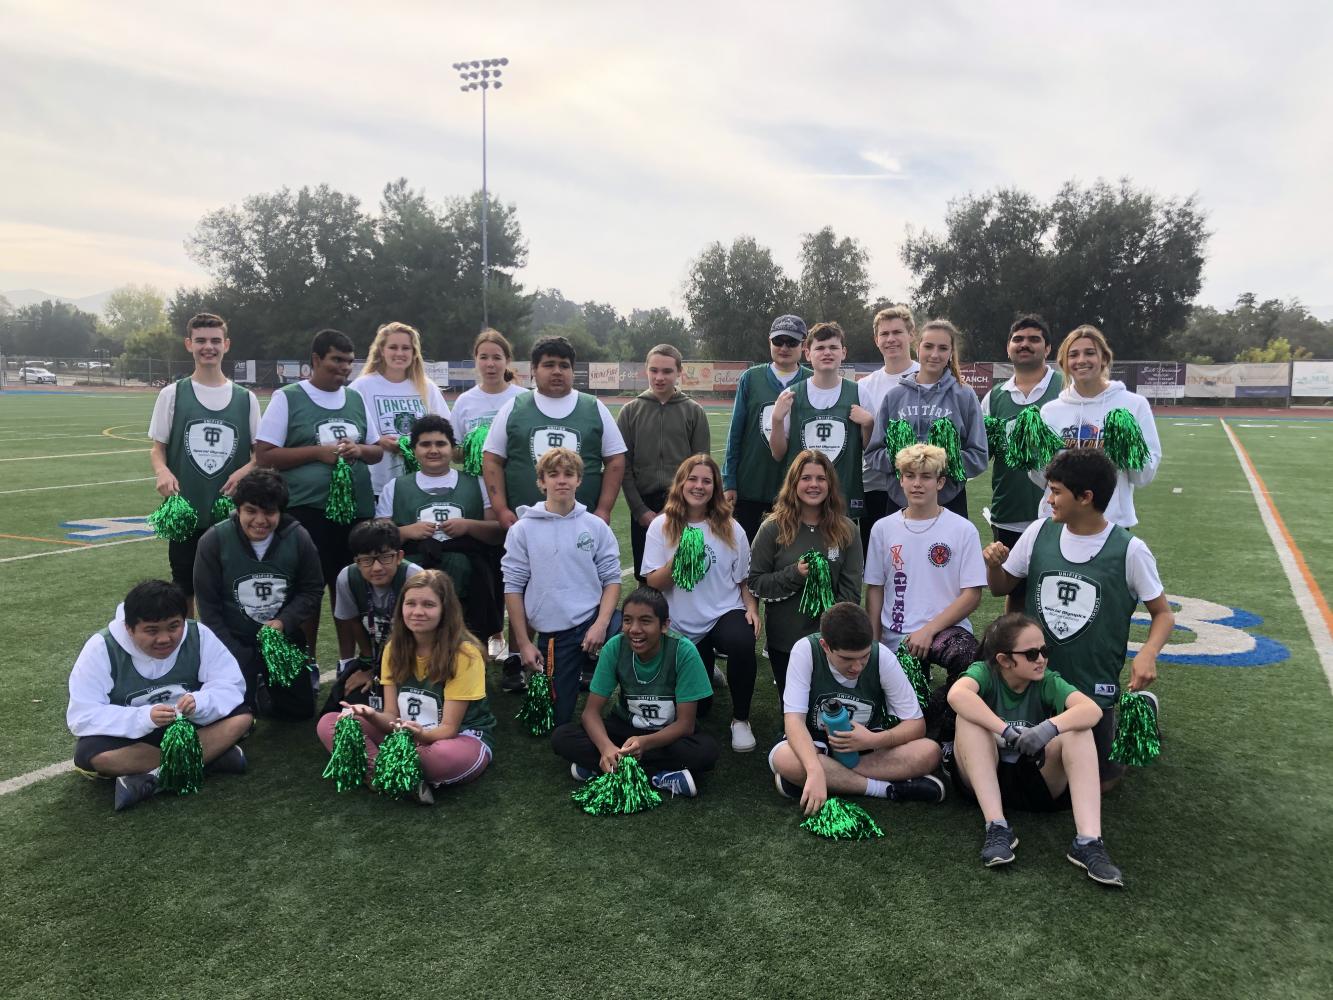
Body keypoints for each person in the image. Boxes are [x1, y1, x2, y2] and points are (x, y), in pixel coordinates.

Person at [984, 449, 1174, 790]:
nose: (1048, 498)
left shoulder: (1130, 549)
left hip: (1090, 688)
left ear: (1085, 497)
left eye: (1056, 491)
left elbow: (1162, 614)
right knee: (1020, 764)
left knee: (1097, 783)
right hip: (1036, 682)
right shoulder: (1039, 532)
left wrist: (1148, 653)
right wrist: (994, 564)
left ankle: (1138, 707)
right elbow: (1001, 589)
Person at [947, 613, 1124, 886]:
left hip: (1035, 781)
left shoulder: (1047, 680)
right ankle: (997, 826)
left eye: (1044, 651)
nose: (1041, 659)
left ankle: (1088, 842)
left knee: (1078, 729)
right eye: (1031, 654)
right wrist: (1003, 730)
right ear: (1004, 660)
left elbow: (1091, 710)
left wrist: (1049, 728)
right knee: (967, 719)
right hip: (983, 779)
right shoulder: (984, 673)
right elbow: (957, 694)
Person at [67, 580, 253, 811]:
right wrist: (145, 718)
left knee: (242, 716)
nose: (165, 639)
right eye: (151, 630)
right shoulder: (101, 647)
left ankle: (156, 779)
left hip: (190, 725)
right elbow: (83, 715)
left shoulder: (199, 634)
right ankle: (209, 760)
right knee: (93, 754)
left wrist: (201, 702)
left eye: (174, 626)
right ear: (129, 627)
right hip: (138, 738)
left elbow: (231, 684)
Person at [254, 329, 384, 651]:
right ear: (316, 359)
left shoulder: (355, 398)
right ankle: (307, 660)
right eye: (336, 360)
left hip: (357, 511)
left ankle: (349, 659)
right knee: (309, 589)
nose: (344, 368)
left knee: (350, 588)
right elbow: (265, 455)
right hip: (308, 510)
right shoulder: (289, 397)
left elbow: (377, 449)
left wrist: (359, 450)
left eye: (349, 362)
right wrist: (316, 452)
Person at [318, 570, 495, 804]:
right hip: (407, 736)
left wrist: (418, 735)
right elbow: (392, 716)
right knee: (331, 723)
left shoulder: (465, 654)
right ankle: (396, 774)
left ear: (445, 610)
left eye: (429, 605)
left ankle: (385, 771)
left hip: (458, 737)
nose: (418, 612)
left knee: (440, 756)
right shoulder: (394, 647)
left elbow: (449, 729)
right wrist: (371, 715)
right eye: (410, 603)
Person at [767, 602, 945, 812]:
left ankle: (817, 780)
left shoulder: (882, 656)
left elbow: (916, 725)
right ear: (825, 646)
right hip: (814, 744)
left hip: (866, 746)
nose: (857, 666)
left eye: (864, 656)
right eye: (847, 659)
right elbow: (793, 720)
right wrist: (814, 768)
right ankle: (886, 789)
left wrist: (874, 739)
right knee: (784, 758)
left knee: (930, 751)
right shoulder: (806, 650)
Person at [551, 588, 720, 798]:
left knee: (705, 752)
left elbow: (685, 725)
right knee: (562, 737)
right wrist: (606, 747)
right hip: (623, 728)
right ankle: (658, 775)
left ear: (664, 625)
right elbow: (590, 713)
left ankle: (602, 770)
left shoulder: (683, 651)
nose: (634, 629)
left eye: (646, 621)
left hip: (666, 734)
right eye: (628, 620)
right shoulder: (615, 647)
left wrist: (645, 743)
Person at [642, 454, 760, 752]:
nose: (699, 486)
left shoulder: (732, 528)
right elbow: (653, 582)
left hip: (723, 613)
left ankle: (741, 719)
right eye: (692, 479)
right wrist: (680, 560)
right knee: (702, 708)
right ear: (681, 483)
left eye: (706, 481)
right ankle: (706, 668)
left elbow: (742, 580)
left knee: (741, 640)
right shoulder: (662, 526)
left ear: (715, 488)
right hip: (680, 623)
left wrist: (752, 609)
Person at [501, 448, 623, 727]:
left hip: (593, 620)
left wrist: (601, 624)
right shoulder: (523, 529)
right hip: (557, 635)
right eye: (553, 475)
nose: (562, 480)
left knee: (634, 631)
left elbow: (612, 580)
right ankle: (577, 670)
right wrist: (522, 644)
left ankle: (625, 695)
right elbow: (513, 587)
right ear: (541, 482)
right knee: (556, 720)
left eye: (569, 474)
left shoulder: (594, 526)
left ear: (579, 480)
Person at [147, 312, 260, 613]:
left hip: (230, 512)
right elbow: (158, 449)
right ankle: (190, 646)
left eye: (214, 340)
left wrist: (246, 469)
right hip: (186, 510)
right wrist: (162, 471)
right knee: (184, 585)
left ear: (226, 344)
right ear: (188, 344)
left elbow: (261, 455)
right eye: (200, 341)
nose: (207, 347)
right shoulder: (172, 394)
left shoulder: (246, 398)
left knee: (231, 585)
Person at [193, 468, 325, 719]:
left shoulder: (298, 537)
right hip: (233, 641)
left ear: (281, 511)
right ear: (238, 509)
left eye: (269, 512)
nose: (260, 520)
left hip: (280, 641)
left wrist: (284, 622)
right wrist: (236, 652)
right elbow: (209, 608)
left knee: (299, 713)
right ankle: (251, 684)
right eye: (251, 511)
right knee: (232, 715)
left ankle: (265, 688)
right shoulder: (214, 540)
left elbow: (312, 589)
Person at [374, 415, 503, 641]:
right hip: (416, 576)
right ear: (414, 450)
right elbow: (377, 538)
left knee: (466, 642)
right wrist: (405, 532)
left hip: (468, 578)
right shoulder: (396, 486)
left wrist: (469, 526)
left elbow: (496, 532)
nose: (433, 450)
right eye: (425, 444)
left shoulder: (476, 483)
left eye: (441, 444)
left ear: (452, 448)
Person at [748, 449, 864, 695]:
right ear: (794, 483)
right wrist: (794, 574)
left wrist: (832, 634)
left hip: (831, 642)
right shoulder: (772, 528)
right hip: (785, 639)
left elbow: (851, 592)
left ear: (830, 484)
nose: (814, 485)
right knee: (791, 709)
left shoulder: (847, 530)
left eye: (821, 478)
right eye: (806, 478)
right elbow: (756, 583)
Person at [482, 335, 626, 529]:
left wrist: (604, 509)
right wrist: (501, 509)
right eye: (549, 365)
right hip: (524, 525)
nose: (557, 371)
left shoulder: (594, 408)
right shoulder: (514, 408)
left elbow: (615, 460)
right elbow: (492, 459)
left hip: (582, 526)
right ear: (534, 370)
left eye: (564, 366)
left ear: (573, 371)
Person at [448, 327, 529, 665]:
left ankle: (515, 639)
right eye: (484, 357)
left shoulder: (522, 397)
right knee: (486, 566)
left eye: (497, 357)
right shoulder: (465, 401)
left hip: (514, 492)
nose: (490, 363)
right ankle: (492, 632)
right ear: (476, 360)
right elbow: (453, 450)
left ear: (507, 361)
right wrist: (474, 445)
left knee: (516, 565)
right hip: (476, 493)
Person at [864, 444, 986, 670]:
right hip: (897, 634)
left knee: (968, 659)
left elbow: (972, 594)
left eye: (926, 477)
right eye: (910, 476)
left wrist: (929, 630)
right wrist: (873, 644)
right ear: (901, 480)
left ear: (940, 482)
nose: (917, 484)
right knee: (894, 701)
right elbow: (875, 588)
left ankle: (940, 706)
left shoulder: (963, 529)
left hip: (947, 631)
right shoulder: (883, 528)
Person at [1034, 324, 1161, 529]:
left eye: (1090, 353)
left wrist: (1129, 447)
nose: (1081, 360)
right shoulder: (1050, 411)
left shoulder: (1133, 405)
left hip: (1112, 524)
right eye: (1073, 355)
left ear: (1104, 358)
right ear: (1064, 363)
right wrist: (1032, 456)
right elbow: (1042, 479)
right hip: (1059, 522)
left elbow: (1143, 477)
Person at [865, 318, 987, 519]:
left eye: (943, 348)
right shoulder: (895, 396)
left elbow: (979, 456)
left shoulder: (964, 395)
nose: (935, 354)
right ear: (918, 348)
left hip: (949, 504)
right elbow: (873, 454)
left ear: (951, 353)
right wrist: (906, 462)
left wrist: (937, 464)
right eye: (928, 346)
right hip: (899, 503)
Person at [980, 315, 1063, 612]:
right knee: (1013, 591)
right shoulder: (994, 396)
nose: (1024, 344)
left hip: (1061, 513)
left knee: (1056, 591)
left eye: (1033, 339)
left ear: (1048, 348)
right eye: (1018, 339)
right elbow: (983, 452)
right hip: (1009, 511)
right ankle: (1015, 653)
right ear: (1008, 348)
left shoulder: (1066, 389)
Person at [616, 343, 711, 584]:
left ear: (679, 372)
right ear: (645, 371)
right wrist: (640, 511)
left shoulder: (693, 411)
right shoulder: (629, 412)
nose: (660, 377)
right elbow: (623, 467)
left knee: (686, 572)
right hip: (643, 508)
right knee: (647, 577)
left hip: (683, 503)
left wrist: (675, 506)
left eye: (667, 371)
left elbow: (701, 465)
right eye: (654, 370)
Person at [769, 321, 875, 522]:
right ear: (808, 353)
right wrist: (776, 420)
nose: (827, 352)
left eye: (833, 347)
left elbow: (867, 450)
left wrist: (868, 424)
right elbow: (778, 453)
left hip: (843, 500)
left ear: (843, 352)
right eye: (820, 348)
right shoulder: (791, 395)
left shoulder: (860, 392)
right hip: (801, 503)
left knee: (841, 552)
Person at [721, 314, 813, 541]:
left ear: (803, 345)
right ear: (769, 341)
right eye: (778, 341)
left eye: (791, 342)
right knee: (748, 559)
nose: (784, 347)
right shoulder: (751, 378)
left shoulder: (812, 380)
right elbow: (735, 433)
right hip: (751, 486)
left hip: (795, 491)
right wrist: (729, 480)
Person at [328, 519, 423, 712]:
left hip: (413, 657)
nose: (377, 567)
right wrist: (368, 666)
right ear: (357, 561)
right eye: (367, 560)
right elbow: (354, 622)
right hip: (376, 657)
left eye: (385, 557)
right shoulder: (347, 578)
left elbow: (424, 636)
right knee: (347, 703)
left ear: (399, 556)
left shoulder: (414, 577)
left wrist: (380, 673)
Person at [348, 321, 450, 500]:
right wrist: (378, 441)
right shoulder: (362, 386)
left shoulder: (427, 387)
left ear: (414, 353)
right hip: (376, 485)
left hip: (420, 483)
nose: (400, 353)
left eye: (406, 348)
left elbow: (446, 431)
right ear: (381, 350)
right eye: (393, 347)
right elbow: (351, 432)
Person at [857, 305, 920, 554]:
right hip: (875, 487)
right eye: (884, 334)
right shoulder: (865, 386)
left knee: (915, 558)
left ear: (911, 335)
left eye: (897, 332)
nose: (891, 339)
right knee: (878, 563)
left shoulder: (927, 376)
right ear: (876, 340)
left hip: (917, 487)